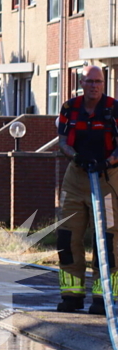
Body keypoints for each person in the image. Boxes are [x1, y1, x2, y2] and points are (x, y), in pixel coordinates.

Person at [56, 64, 118, 314]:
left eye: (98, 81)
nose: (94, 86)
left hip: (107, 179)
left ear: (104, 84)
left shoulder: (114, 109)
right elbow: (62, 141)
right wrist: (75, 156)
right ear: (81, 83)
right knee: (67, 237)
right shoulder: (70, 108)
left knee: (108, 239)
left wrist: (108, 161)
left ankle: (104, 297)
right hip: (75, 177)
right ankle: (71, 296)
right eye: (89, 81)